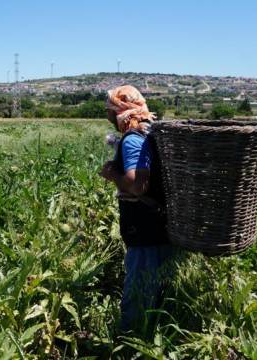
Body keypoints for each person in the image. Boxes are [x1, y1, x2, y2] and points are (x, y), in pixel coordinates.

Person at [98, 85, 173, 332]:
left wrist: (113, 175)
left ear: (119, 111)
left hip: (144, 230)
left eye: (109, 109)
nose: (107, 115)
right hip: (160, 227)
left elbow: (138, 184)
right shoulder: (150, 131)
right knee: (159, 294)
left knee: (138, 293)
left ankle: (130, 341)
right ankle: (152, 336)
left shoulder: (132, 139)